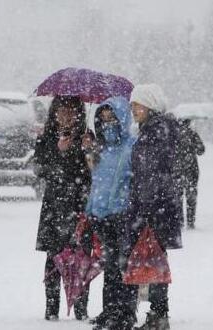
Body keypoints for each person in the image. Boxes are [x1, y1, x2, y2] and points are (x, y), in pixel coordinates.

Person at [127, 84, 183, 330]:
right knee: (154, 259)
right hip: (158, 204)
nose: (134, 110)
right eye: (132, 105)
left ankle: (159, 314)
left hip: (154, 207)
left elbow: (152, 173)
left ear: (150, 106)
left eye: (138, 105)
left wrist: (147, 209)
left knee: (155, 259)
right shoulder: (153, 129)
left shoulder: (156, 131)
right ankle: (158, 313)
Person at [34, 95, 92, 321]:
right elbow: (39, 170)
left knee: (82, 257)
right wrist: (58, 152)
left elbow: (92, 173)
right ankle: (51, 308)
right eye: (61, 110)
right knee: (54, 255)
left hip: (80, 204)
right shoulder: (46, 138)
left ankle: (81, 308)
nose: (65, 115)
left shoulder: (87, 137)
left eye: (70, 110)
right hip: (55, 206)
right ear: (54, 113)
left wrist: (87, 151)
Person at [82, 97, 138, 330]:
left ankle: (125, 313)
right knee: (110, 264)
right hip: (100, 214)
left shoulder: (131, 146)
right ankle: (110, 309)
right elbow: (96, 182)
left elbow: (132, 180)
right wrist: (90, 211)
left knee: (122, 264)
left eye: (111, 119)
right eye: (102, 120)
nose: (107, 125)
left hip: (122, 214)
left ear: (121, 119)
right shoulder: (100, 148)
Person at [177, 118, 205, 229]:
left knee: (178, 197)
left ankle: (179, 221)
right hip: (191, 170)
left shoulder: (173, 134)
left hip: (177, 170)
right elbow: (201, 150)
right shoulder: (193, 134)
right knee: (191, 196)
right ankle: (190, 221)